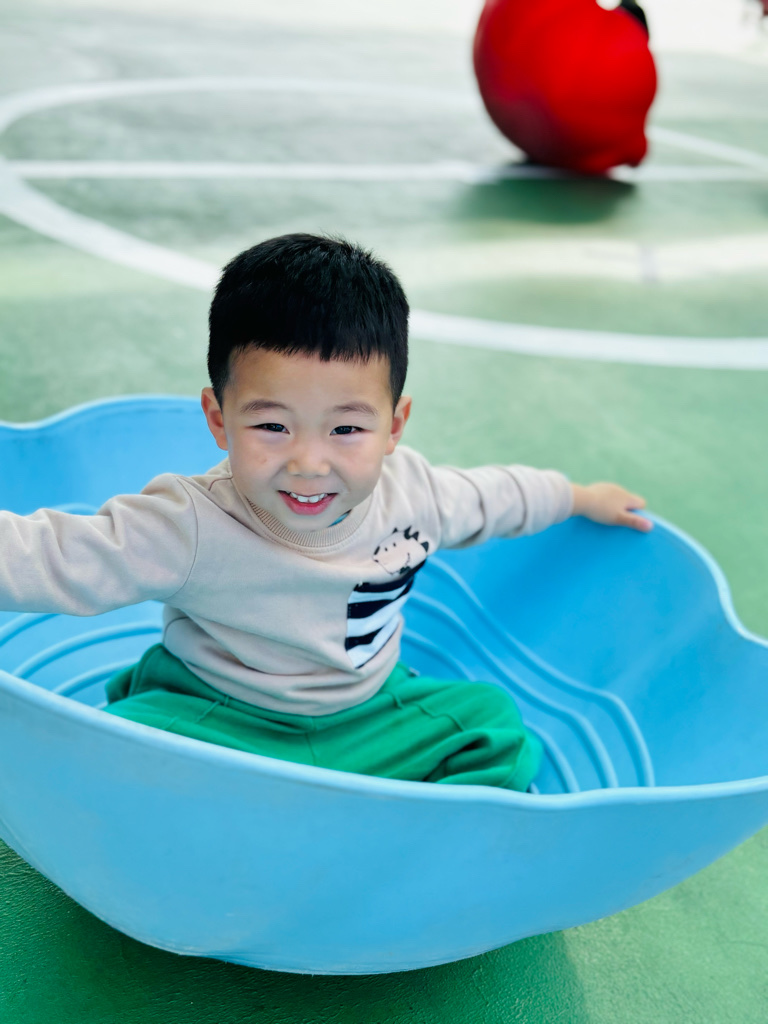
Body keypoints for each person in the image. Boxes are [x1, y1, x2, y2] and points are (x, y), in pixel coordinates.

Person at [0, 234, 651, 792]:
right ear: (219, 419)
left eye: (346, 430)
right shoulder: (190, 523)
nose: (309, 463)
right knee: (104, 752)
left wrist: (579, 496)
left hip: (366, 716)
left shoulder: (415, 493)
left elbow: (498, 497)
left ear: (394, 425)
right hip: (219, 717)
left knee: (495, 729)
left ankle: (393, 839)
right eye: (272, 426)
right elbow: (55, 556)